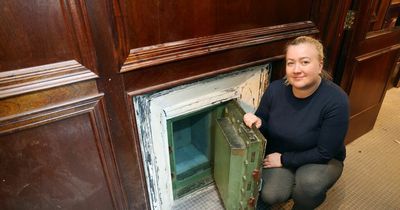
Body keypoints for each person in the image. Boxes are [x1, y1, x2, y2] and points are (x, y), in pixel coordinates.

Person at [243, 36, 349, 210]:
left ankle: (302, 203)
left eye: (305, 62)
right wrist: (259, 122)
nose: (296, 69)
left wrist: (285, 159)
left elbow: (324, 152)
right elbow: (265, 124)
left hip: (320, 159)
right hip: (281, 151)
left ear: (320, 65)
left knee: (308, 185)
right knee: (271, 194)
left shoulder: (336, 101)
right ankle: (290, 184)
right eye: (290, 63)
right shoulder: (275, 90)